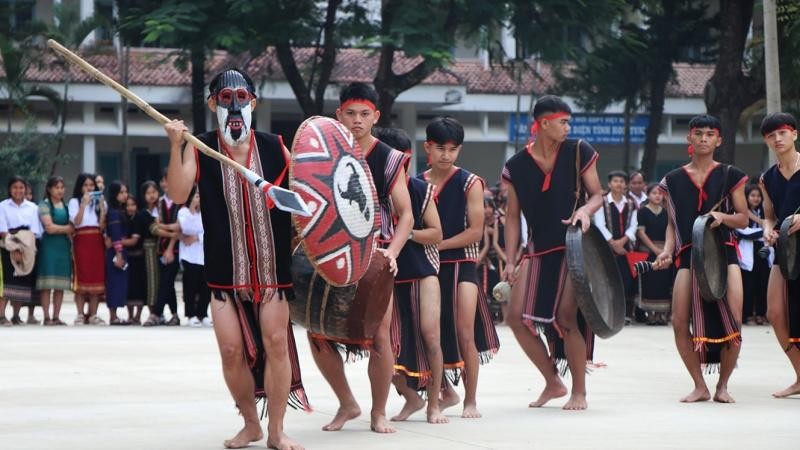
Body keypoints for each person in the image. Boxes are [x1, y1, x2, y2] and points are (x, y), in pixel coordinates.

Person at [165, 68, 308, 450]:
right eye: (225, 99)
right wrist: (175, 145)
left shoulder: (277, 146)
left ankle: (276, 430)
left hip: (271, 270)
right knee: (230, 351)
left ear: (253, 103)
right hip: (224, 271)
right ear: (213, 104)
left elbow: (307, 195)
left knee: (276, 342)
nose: (234, 107)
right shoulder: (199, 147)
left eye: (241, 98)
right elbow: (178, 194)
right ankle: (250, 423)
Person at [309, 83, 413, 434]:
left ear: (376, 117)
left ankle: (379, 411)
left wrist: (393, 252)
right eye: (350, 113)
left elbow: (407, 215)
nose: (357, 120)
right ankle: (346, 402)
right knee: (317, 332)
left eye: (364, 114)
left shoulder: (388, 157)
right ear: (338, 114)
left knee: (379, 335)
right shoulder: (322, 153)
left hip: (374, 253)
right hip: (330, 250)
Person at [502, 95, 603, 410]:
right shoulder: (516, 165)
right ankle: (552, 381)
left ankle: (580, 393)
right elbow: (511, 217)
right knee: (515, 317)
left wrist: (586, 210)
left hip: (575, 245)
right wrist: (509, 259)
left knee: (564, 317)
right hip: (538, 248)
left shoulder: (578, 151)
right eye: (563, 121)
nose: (567, 127)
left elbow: (598, 194)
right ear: (544, 123)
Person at [658, 114, 748, 403]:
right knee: (679, 321)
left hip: (725, 254)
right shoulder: (672, 179)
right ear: (690, 138)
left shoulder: (731, 174)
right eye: (699, 133)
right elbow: (672, 224)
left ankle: (723, 386)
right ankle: (700, 385)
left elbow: (744, 219)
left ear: (719, 140)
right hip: (687, 256)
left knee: (733, 322)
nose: (705, 138)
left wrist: (723, 216)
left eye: (711, 134)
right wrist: (666, 249)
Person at [419, 116, 500, 418]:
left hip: (462, 263)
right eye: (440, 148)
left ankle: (471, 400)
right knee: (430, 334)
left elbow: (475, 232)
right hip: (428, 266)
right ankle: (443, 393)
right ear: (428, 146)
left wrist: (435, 244)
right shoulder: (417, 182)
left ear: (459, 150)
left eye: (453, 149)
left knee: (466, 332)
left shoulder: (470, 182)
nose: (446, 155)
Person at [372, 126, 447, 425]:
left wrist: (402, 234)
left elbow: (437, 234)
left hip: (422, 272)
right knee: (382, 344)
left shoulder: (419, 189)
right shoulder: (369, 187)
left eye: (403, 161)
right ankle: (411, 398)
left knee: (430, 335)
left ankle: (434, 404)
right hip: (384, 275)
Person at [758, 112, 800, 398]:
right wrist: (768, 230)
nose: (778, 138)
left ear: (794, 134)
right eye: (771, 135)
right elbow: (769, 216)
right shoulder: (766, 178)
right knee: (774, 312)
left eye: (783, 132)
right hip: (785, 250)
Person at [593, 170, 640, 323]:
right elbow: (600, 224)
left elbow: (634, 225)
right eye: (615, 181)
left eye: (621, 181)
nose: (618, 184)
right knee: (607, 279)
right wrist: (613, 243)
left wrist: (623, 241)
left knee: (626, 280)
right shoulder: (602, 201)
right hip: (606, 248)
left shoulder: (631, 204)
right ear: (609, 184)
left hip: (626, 248)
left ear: (626, 185)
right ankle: (608, 314)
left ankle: (624, 314)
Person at [0, 176, 43, 326]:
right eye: (15, 187)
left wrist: (25, 249)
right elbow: (3, 229)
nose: (18, 190)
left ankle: (16, 315)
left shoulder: (32, 207)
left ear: (25, 189)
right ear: (10, 189)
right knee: (7, 281)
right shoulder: (3, 206)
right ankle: (1, 315)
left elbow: (35, 230)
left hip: (27, 244)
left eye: (21, 187)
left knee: (22, 281)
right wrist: (14, 247)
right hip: (7, 245)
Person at [144, 170, 182, 326]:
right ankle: (174, 314)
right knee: (167, 283)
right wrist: (170, 229)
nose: (166, 184)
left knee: (166, 281)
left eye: (168, 181)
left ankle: (156, 313)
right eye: (164, 181)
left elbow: (179, 228)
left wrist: (170, 248)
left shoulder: (180, 201)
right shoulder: (159, 203)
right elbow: (157, 224)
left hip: (174, 249)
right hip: (161, 248)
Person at [68, 173, 107, 325]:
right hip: (82, 240)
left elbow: (103, 226)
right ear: (80, 187)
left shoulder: (100, 202)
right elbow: (76, 222)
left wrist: (102, 209)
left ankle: (93, 314)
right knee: (82, 276)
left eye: (91, 185)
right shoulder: (74, 202)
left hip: (96, 240)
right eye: (86, 185)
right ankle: (79, 313)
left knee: (96, 277)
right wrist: (83, 204)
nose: (89, 188)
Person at [36, 176, 73, 326]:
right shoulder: (44, 205)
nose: (60, 190)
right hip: (49, 247)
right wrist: (67, 229)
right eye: (57, 187)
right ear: (50, 189)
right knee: (47, 284)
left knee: (60, 284)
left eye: (62, 187)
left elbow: (73, 227)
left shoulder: (67, 206)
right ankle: (46, 317)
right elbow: (49, 228)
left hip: (63, 248)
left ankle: (56, 317)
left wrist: (64, 230)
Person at [635, 183, 674, 325]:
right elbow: (641, 232)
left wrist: (664, 251)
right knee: (650, 283)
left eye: (659, 193)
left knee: (663, 283)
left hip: (664, 252)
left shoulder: (666, 212)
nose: (657, 196)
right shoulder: (643, 211)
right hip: (649, 253)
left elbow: (670, 231)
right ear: (648, 195)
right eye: (654, 193)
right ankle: (650, 315)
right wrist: (654, 249)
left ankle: (661, 315)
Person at [736, 184, 771, 325]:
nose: (756, 198)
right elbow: (743, 231)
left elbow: (772, 227)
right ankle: (748, 314)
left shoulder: (765, 212)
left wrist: (766, 230)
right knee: (748, 285)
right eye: (752, 195)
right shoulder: (740, 212)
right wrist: (764, 232)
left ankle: (761, 314)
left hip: (763, 251)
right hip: (747, 252)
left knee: (763, 283)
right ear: (746, 197)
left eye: (758, 196)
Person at [178, 186, 211, 327]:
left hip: (203, 256)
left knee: (205, 287)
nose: (199, 199)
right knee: (190, 286)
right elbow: (185, 229)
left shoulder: (205, 214)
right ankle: (191, 314)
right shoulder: (184, 212)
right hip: (189, 256)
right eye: (196, 196)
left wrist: (197, 237)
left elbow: (208, 231)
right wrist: (192, 208)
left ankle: (202, 313)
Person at [105, 181, 136, 325]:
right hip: (116, 252)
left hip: (120, 251)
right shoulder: (114, 212)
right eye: (121, 192)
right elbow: (116, 235)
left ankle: (115, 315)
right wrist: (118, 254)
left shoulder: (120, 211)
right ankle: (113, 315)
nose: (125, 195)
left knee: (120, 283)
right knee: (114, 283)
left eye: (125, 192)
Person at [124, 195, 147, 325]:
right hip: (128, 257)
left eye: (132, 205)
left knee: (139, 287)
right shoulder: (124, 218)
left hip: (139, 257)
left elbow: (134, 241)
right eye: (128, 205)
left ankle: (138, 316)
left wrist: (117, 242)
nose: (130, 208)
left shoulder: (139, 218)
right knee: (129, 288)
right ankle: (130, 315)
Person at [139, 181, 161, 317]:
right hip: (149, 248)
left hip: (162, 247)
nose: (152, 195)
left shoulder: (162, 208)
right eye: (148, 193)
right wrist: (174, 232)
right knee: (152, 279)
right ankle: (153, 311)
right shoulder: (144, 213)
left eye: (154, 192)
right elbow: (154, 230)